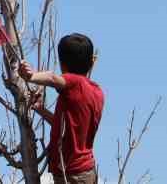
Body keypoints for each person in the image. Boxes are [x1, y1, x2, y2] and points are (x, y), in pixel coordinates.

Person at [17, 33, 105, 184]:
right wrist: (41, 110)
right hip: (86, 172)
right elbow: (69, 127)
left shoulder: (74, 83)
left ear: (62, 65)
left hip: (71, 174)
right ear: (91, 63)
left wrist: (31, 76)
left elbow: (52, 78)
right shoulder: (97, 92)